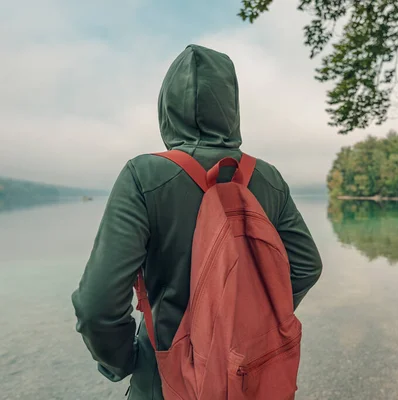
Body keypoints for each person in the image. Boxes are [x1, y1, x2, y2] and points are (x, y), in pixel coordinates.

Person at [71, 44, 323, 399]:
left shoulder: (143, 175)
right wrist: (252, 321)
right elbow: (306, 266)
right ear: (231, 106)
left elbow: (97, 306)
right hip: (247, 369)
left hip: (165, 373)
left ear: (166, 107)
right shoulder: (267, 178)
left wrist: (123, 361)